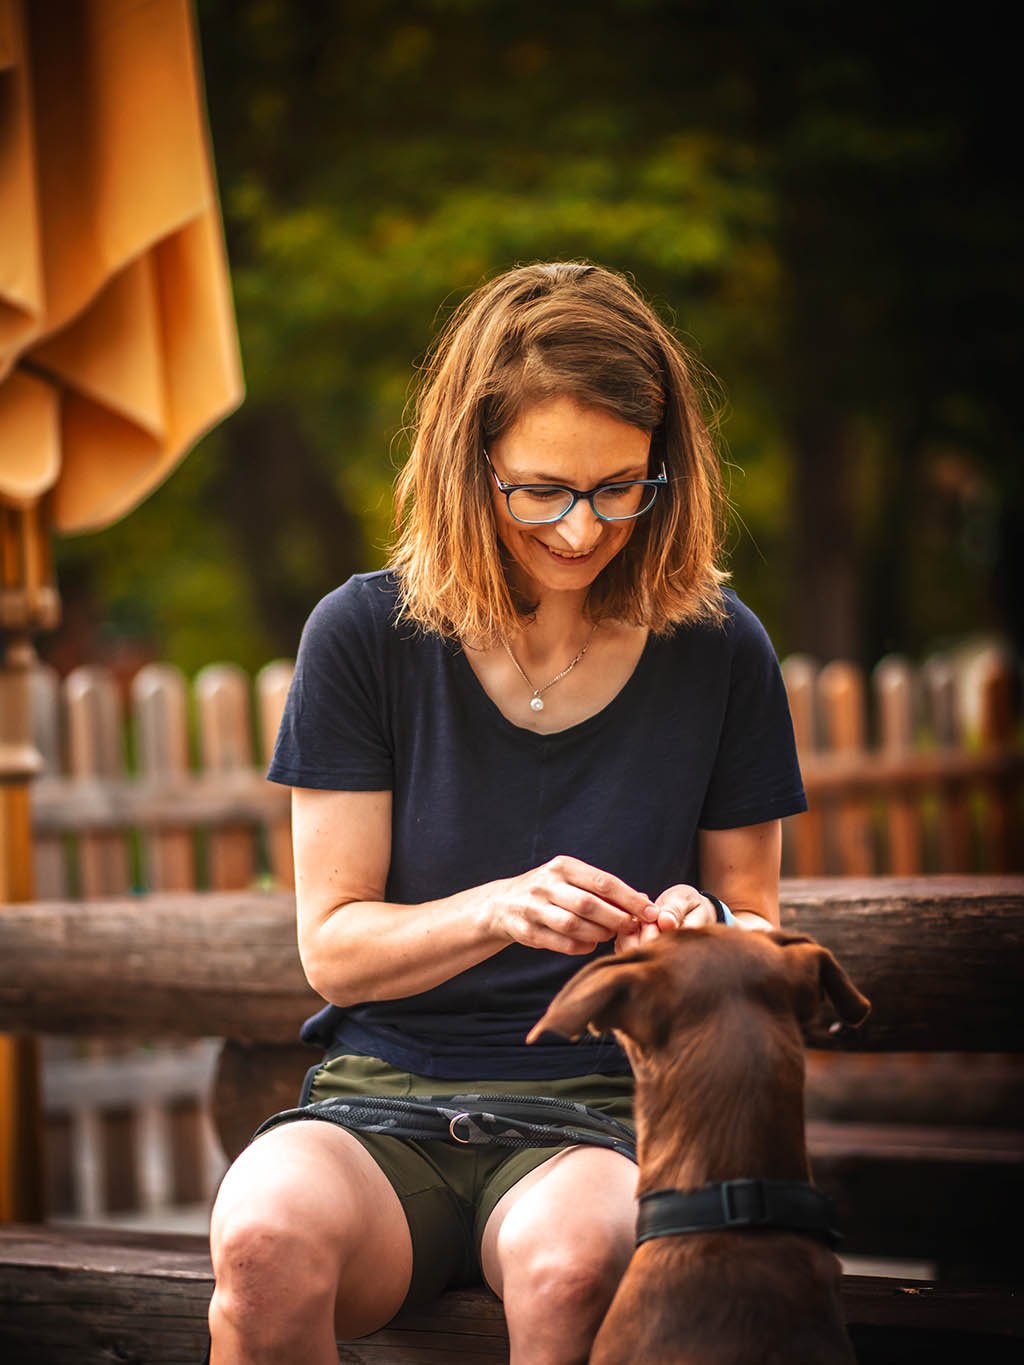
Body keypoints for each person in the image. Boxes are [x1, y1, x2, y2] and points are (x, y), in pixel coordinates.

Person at [206, 261, 807, 1365]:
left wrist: (699, 931)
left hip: (596, 1111)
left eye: (622, 486)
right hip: (378, 1100)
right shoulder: (362, 636)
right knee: (260, 1253)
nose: (583, 530)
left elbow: (755, 924)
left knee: (573, 1270)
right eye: (542, 490)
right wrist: (495, 909)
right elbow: (333, 953)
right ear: (464, 467)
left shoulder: (720, 647)